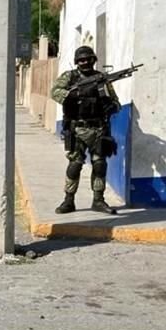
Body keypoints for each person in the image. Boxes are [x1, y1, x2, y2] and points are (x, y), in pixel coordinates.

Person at [50, 45, 120, 215]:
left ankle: (98, 200)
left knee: (100, 165)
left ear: (93, 60)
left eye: (88, 59)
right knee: (74, 165)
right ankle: (68, 200)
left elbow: (116, 103)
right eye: (81, 60)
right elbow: (55, 92)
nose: (85, 62)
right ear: (76, 62)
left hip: (99, 129)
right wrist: (73, 95)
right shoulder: (70, 77)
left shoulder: (101, 79)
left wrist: (110, 105)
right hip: (77, 128)